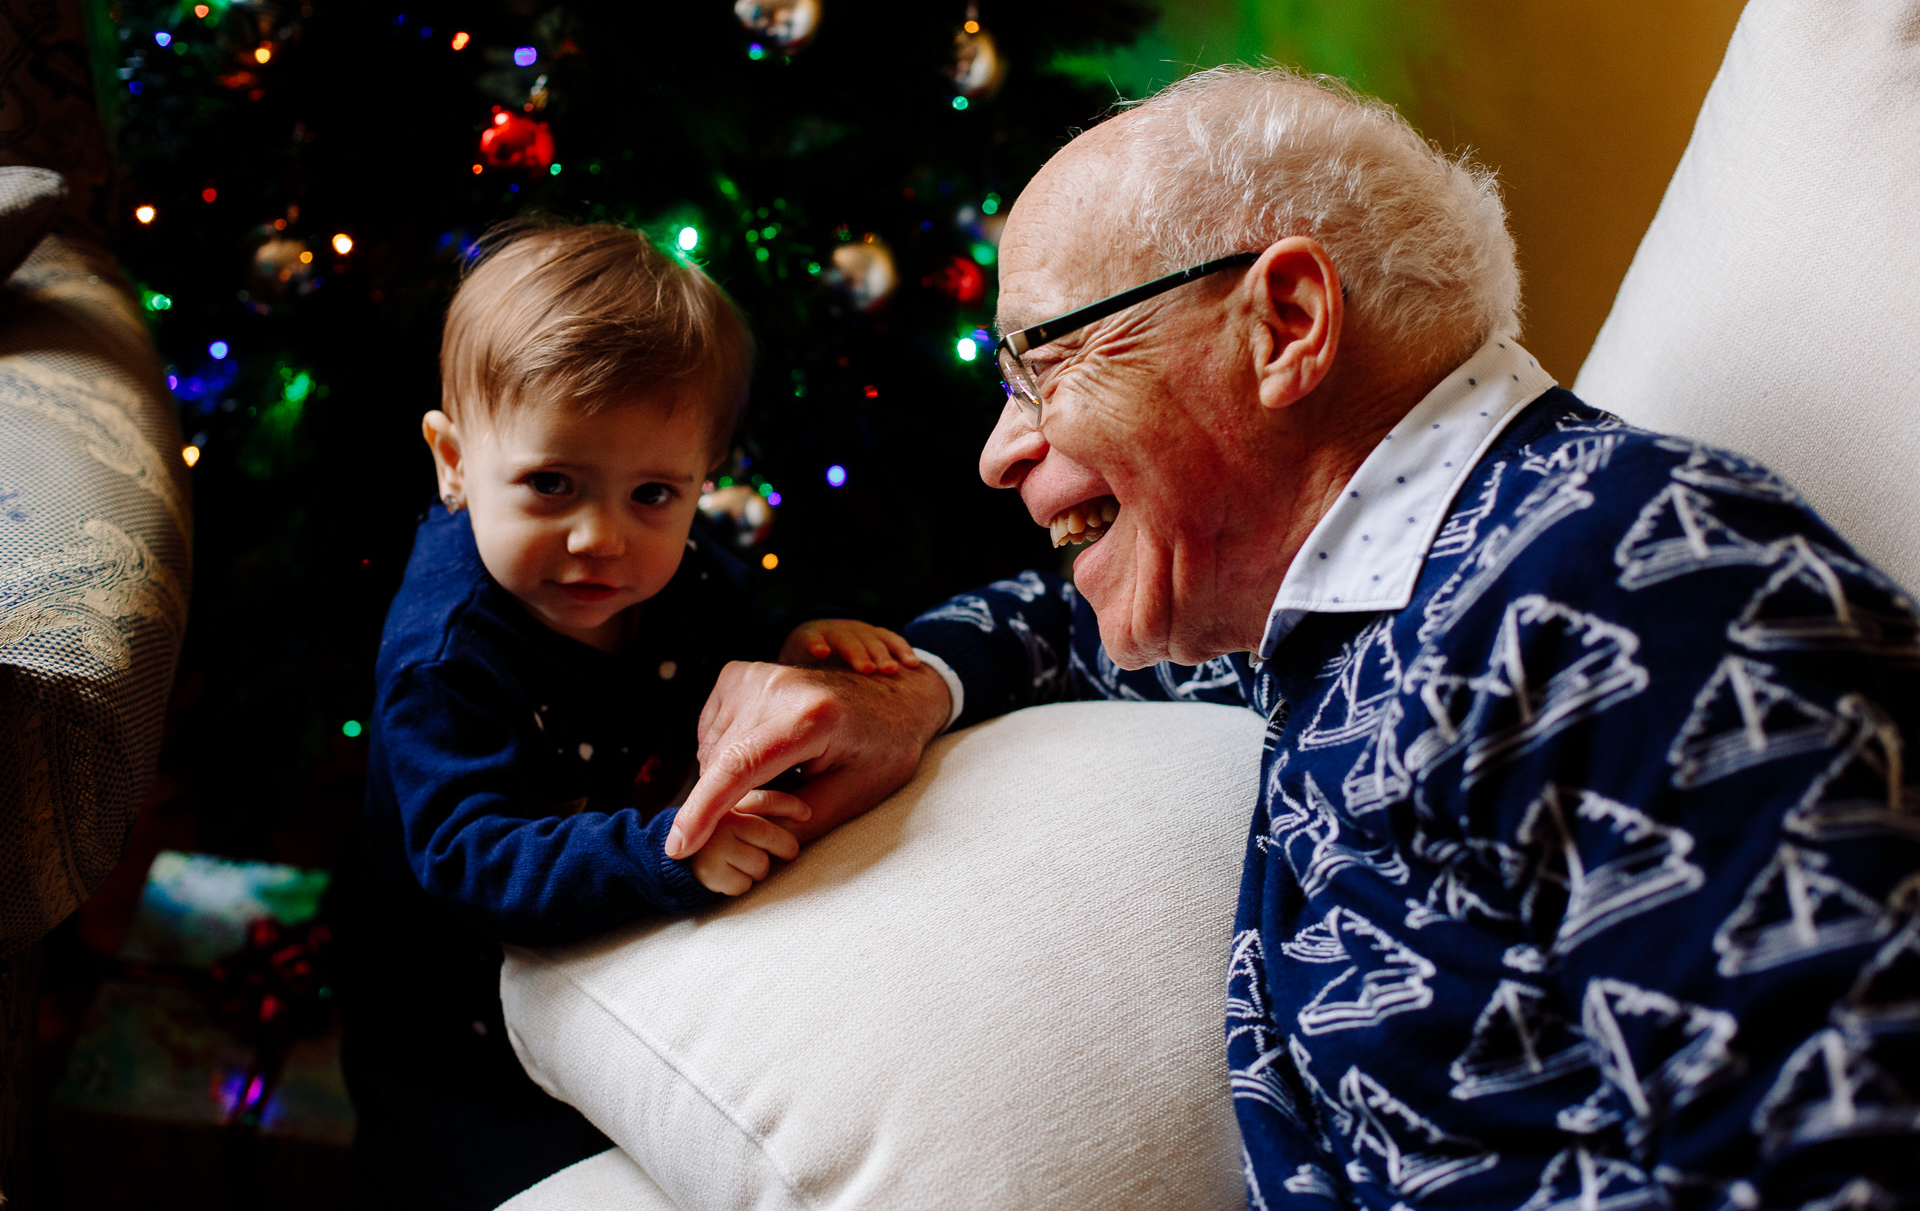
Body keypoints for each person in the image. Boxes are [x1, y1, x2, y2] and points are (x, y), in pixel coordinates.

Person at [667, 67, 1920, 1209]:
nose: (1000, 452)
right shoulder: (1345, 597)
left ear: (1286, 324)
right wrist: (911, 687)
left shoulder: (1627, 583)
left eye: (1043, 364)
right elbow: (1067, 626)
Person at [337, 219, 915, 1210]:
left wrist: (796, 646)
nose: (601, 537)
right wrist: (666, 854)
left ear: (702, 479)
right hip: (458, 1034)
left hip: (623, 957)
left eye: (654, 492)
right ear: (454, 460)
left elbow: (732, 629)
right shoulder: (447, 655)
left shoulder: (672, 571)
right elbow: (471, 852)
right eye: (551, 483)